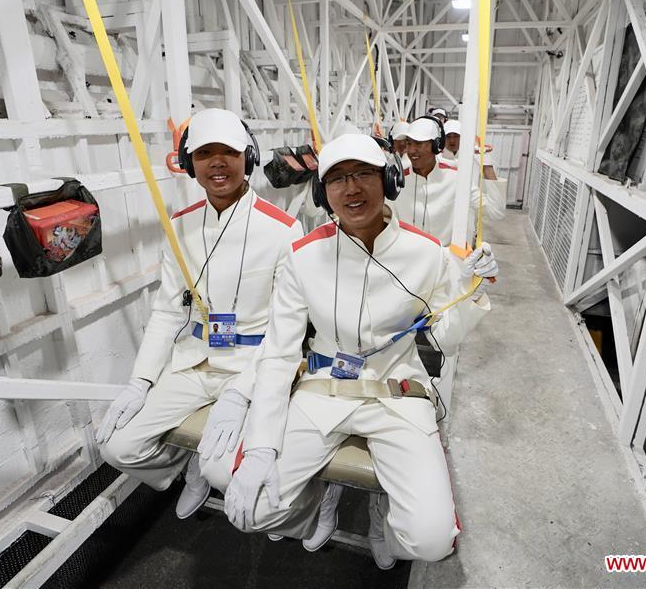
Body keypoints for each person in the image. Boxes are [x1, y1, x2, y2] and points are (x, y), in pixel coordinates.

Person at [204, 134, 498, 569]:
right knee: (253, 509)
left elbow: (445, 340)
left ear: (389, 180)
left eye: (363, 174)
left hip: (397, 396)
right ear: (323, 193)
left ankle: (383, 513)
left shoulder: (425, 253)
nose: (352, 189)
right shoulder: (302, 255)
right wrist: (263, 446)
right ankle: (319, 498)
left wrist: (470, 292)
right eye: (338, 179)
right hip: (322, 392)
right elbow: (280, 355)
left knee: (431, 543)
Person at [96, 108, 303, 520]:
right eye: (205, 153)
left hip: (251, 365)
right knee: (117, 448)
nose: (218, 162)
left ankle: (205, 470)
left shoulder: (283, 229)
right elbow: (167, 311)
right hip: (193, 361)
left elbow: (286, 331)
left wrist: (243, 391)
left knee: (223, 470)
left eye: (228, 151)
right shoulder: (180, 225)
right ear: (191, 165)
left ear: (249, 157)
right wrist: (140, 381)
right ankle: (182, 468)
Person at [399, 117, 504, 246]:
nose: (411, 150)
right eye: (409, 143)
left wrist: (486, 165)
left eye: (419, 144)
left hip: (445, 262)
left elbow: (496, 211)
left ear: (436, 145)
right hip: (409, 261)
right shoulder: (397, 181)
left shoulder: (456, 179)